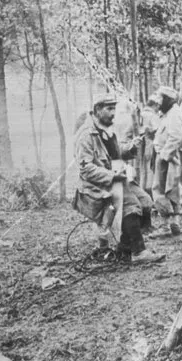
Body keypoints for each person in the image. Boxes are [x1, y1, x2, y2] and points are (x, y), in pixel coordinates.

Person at [73, 93, 163, 263]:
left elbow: (115, 153)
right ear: (98, 110)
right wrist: (113, 176)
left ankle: (124, 248)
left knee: (145, 202)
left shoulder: (107, 129)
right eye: (109, 109)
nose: (113, 112)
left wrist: (130, 148)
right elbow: (86, 169)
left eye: (114, 108)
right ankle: (138, 252)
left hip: (117, 179)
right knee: (132, 206)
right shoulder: (86, 135)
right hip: (99, 185)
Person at [152, 86, 182, 237]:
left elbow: (177, 137)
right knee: (170, 189)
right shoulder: (168, 114)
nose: (158, 102)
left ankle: (167, 225)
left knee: (164, 190)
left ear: (168, 99)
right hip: (168, 155)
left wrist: (164, 156)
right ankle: (173, 222)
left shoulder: (174, 114)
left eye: (160, 98)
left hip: (169, 157)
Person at [139, 96, 160, 195]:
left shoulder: (141, 114)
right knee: (151, 168)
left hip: (141, 144)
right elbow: (156, 129)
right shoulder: (152, 115)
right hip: (150, 144)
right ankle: (149, 191)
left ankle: (142, 190)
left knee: (143, 169)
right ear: (154, 105)